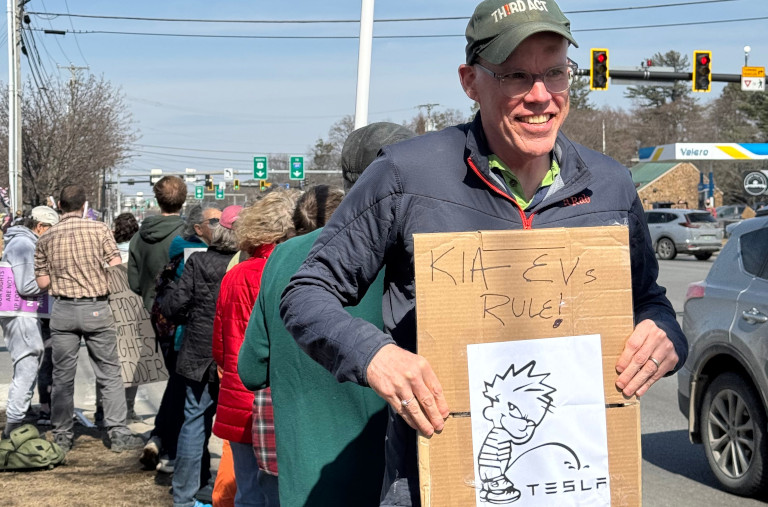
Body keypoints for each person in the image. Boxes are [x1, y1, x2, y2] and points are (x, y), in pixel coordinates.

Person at [279, 2, 688, 505]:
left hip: (577, 485)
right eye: (516, 75)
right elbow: (305, 293)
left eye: (555, 72)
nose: (541, 96)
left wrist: (665, 335)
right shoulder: (407, 175)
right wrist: (374, 356)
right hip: (437, 481)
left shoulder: (609, 183)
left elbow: (649, 300)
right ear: (470, 81)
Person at [239, 123, 415, 506]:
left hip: (310, 485)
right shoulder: (426, 258)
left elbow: (251, 369)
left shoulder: (284, 256)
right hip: (399, 481)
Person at [34, 185, 144, 453]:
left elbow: (43, 282)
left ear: (59, 206)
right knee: (109, 372)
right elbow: (116, 268)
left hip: (63, 311)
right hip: (97, 308)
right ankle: (117, 432)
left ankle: (62, 434)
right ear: (84, 206)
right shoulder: (100, 230)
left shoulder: (46, 238)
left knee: (62, 376)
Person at [213, 189, 300, 507]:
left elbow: (220, 346)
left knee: (248, 490)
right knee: (283, 490)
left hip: (237, 392)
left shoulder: (234, 275)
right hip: (278, 396)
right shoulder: (291, 272)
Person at [160, 205, 240, 507]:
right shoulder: (246, 264)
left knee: (193, 421)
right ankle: (229, 491)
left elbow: (173, 306)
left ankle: (184, 494)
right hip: (234, 353)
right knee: (238, 428)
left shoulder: (199, 262)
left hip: (198, 350)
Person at [141, 204, 222, 474]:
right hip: (186, 338)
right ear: (198, 228)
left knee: (179, 396)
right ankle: (178, 458)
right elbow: (178, 303)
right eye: (214, 221)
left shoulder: (177, 249)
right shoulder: (194, 256)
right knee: (192, 408)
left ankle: (160, 440)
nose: (219, 226)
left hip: (180, 337)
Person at [1, 206, 59, 437]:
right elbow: (27, 286)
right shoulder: (25, 245)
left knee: (28, 364)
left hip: (21, 313)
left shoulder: (21, 242)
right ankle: (14, 426)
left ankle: (16, 421)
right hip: (21, 314)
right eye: (51, 232)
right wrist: (56, 277)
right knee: (27, 365)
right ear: (40, 227)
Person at [94, 211, 141, 426]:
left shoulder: (105, 251)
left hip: (109, 305)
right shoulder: (140, 252)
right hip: (134, 307)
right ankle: (128, 409)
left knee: (105, 359)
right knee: (132, 359)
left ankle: (101, 408)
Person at [128, 175, 187, 312]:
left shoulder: (138, 238)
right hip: (182, 317)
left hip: (150, 312)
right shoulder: (190, 237)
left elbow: (134, 284)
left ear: (157, 199)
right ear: (183, 200)